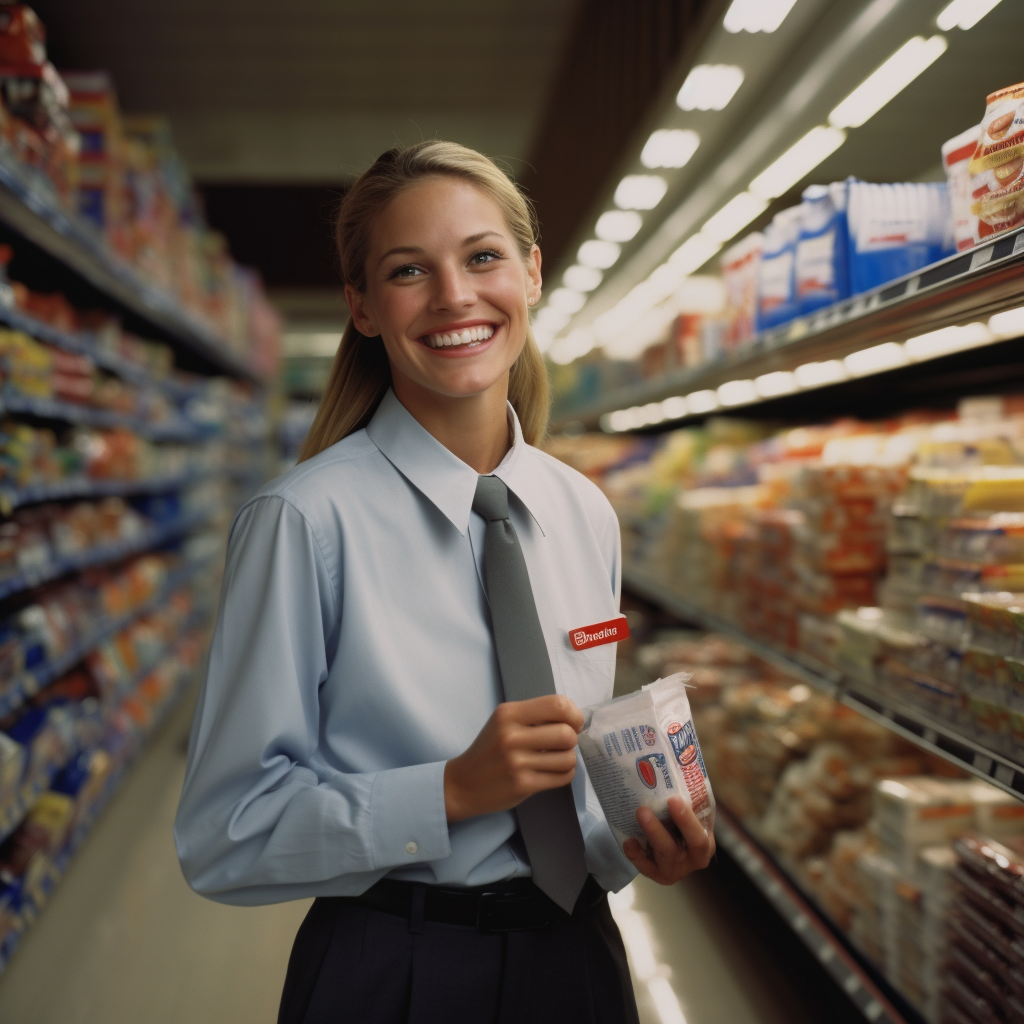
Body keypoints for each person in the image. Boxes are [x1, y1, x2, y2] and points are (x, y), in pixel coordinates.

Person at [174, 140, 714, 1024]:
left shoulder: (584, 513)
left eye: (483, 257)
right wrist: (452, 790)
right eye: (408, 270)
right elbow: (224, 834)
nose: (455, 296)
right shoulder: (305, 523)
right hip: (395, 973)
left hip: (579, 962)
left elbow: (573, 789)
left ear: (532, 274)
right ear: (362, 306)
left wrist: (637, 840)